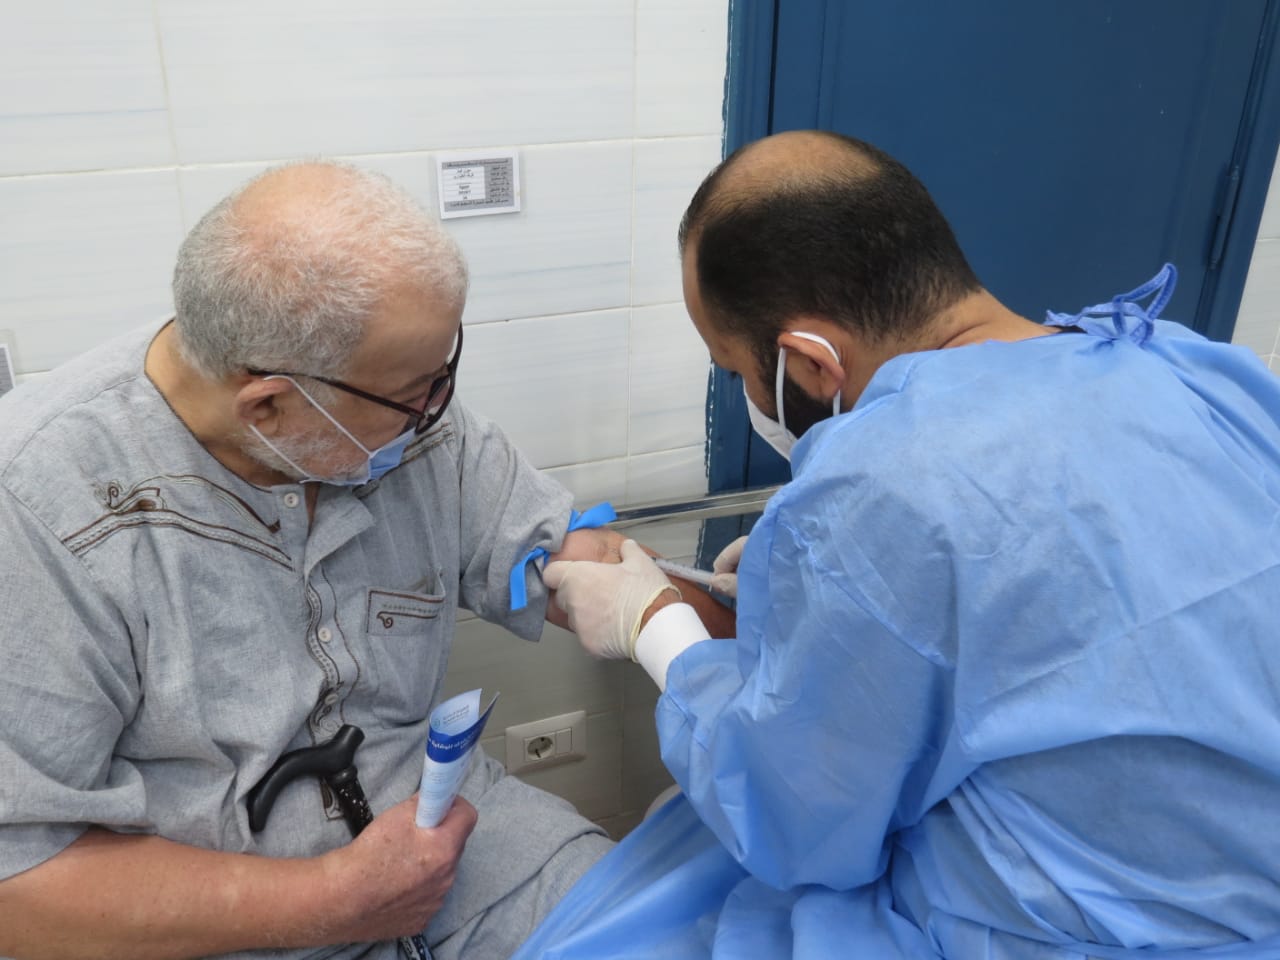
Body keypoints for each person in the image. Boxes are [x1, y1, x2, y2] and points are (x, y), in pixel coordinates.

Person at [535, 130, 1280, 958]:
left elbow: (791, 820)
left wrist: (652, 622)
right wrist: (815, 587)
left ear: (809, 363)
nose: (747, 393)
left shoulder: (880, 488)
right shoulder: (1190, 364)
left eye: (737, 370)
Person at [0, 160, 630, 960]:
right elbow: (16, 886)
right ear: (268, 405)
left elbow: (567, 554)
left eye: (442, 379)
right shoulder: (39, 509)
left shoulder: (403, 410)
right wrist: (335, 903)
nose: (435, 413)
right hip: (214, 924)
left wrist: (668, 605)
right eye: (415, 396)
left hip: (451, 847)